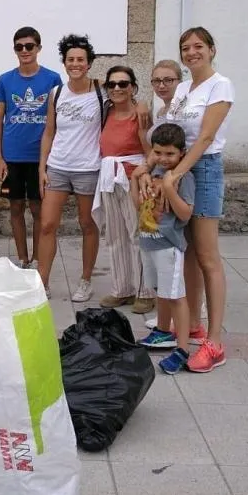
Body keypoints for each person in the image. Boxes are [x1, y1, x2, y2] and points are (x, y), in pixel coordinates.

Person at [135, 27, 234, 373]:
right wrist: (148, 168)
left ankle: (214, 341)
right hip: (174, 169)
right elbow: (170, 134)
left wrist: (175, 176)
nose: (192, 52)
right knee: (186, 252)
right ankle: (190, 323)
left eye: (198, 46)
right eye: (186, 48)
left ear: (211, 49)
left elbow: (205, 137)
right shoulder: (182, 90)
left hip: (201, 170)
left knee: (207, 257)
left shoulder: (219, 85)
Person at [38, 34, 104, 302]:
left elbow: (128, 107)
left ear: (89, 63)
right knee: (47, 224)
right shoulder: (57, 93)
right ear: (64, 63)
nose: (75, 64)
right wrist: (42, 167)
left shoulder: (102, 91)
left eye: (81, 59)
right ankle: (42, 283)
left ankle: (86, 280)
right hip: (58, 166)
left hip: (89, 167)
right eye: (70, 59)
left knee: (87, 224)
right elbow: (49, 133)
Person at [0, 26, 63, 269]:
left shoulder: (53, 79)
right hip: (12, 155)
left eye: (29, 46)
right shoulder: (5, 80)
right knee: (15, 206)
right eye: (19, 47)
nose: (24, 51)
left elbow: (57, 120)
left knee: (37, 207)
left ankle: (38, 257)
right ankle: (22, 258)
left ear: (38, 48)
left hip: (40, 157)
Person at [132, 123, 195, 374]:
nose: (163, 158)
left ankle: (182, 349)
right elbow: (137, 204)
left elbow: (186, 214)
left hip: (168, 246)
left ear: (182, 153)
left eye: (170, 154)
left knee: (176, 295)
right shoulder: (153, 171)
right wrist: (135, 179)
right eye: (158, 152)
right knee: (161, 291)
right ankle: (162, 330)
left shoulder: (182, 178)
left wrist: (169, 188)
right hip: (148, 241)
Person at [93, 66, 157, 314]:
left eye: (123, 84)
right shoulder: (106, 111)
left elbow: (148, 150)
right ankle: (122, 289)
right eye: (112, 85)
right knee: (116, 235)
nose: (117, 88)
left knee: (137, 235)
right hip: (109, 178)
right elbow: (89, 81)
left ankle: (145, 291)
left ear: (132, 87)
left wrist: (145, 178)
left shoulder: (140, 115)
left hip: (132, 178)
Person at [148, 59, 184, 142]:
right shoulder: (161, 112)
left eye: (168, 80)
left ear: (180, 82)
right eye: (157, 81)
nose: (161, 86)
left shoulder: (183, 110)